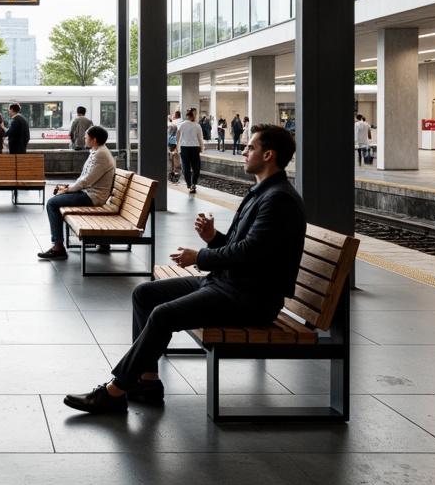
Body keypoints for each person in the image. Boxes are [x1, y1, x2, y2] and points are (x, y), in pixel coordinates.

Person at [64, 124, 305, 414]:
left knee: (163, 315)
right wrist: (214, 239)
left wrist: (201, 256)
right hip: (227, 285)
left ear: (268, 155)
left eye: (250, 147)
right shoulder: (262, 192)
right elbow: (242, 246)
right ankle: (147, 382)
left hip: (250, 299)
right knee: (145, 294)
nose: (243, 151)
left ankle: (114, 391)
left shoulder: (278, 198)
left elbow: (250, 252)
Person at [37, 125, 116, 260]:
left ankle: (58, 247)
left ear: (94, 139)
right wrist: (70, 188)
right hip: (88, 193)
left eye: (86, 137)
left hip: (93, 197)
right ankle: (59, 244)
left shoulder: (101, 155)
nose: (84, 139)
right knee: (57, 200)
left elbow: (87, 180)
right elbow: (84, 177)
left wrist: (68, 189)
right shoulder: (97, 151)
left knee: (52, 203)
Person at [176, 108, 205, 194]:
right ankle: (194, 183)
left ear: (187, 117)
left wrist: (177, 147)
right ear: (192, 117)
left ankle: (189, 185)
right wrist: (202, 147)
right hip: (195, 148)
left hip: (184, 148)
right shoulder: (197, 126)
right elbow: (200, 138)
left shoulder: (181, 125)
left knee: (186, 167)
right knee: (196, 167)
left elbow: (178, 136)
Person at [166, 110, 181, 183]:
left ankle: (171, 174)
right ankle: (175, 173)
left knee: (171, 158)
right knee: (174, 157)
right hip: (173, 143)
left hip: (170, 143)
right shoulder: (174, 125)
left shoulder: (170, 125)